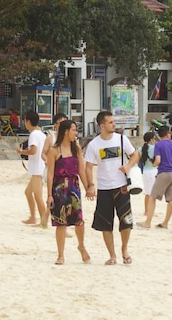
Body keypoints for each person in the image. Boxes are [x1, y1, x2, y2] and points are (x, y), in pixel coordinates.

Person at [84, 110, 138, 265]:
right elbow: (88, 167)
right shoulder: (94, 144)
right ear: (102, 125)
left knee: (126, 221)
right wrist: (90, 185)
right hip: (104, 189)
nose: (114, 124)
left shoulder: (122, 139)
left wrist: (128, 166)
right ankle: (112, 255)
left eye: (114, 122)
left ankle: (124, 249)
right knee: (106, 223)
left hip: (122, 187)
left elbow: (135, 155)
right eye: (110, 122)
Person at [46, 119, 92, 265]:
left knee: (79, 221)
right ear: (66, 132)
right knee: (61, 223)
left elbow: (81, 171)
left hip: (74, 188)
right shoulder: (54, 150)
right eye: (73, 130)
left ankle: (81, 246)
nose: (75, 133)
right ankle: (60, 255)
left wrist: (88, 187)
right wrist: (48, 195)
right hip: (59, 189)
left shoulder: (76, 149)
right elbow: (50, 174)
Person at [139, 124, 172, 231]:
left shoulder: (159, 145)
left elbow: (157, 161)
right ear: (168, 134)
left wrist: (153, 165)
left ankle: (148, 222)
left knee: (152, 197)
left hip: (164, 173)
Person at [19, 110, 48, 227]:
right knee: (28, 192)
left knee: (38, 196)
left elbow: (33, 150)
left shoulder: (33, 135)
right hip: (39, 168)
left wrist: (22, 151)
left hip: (37, 170)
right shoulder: (41, 134)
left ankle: (43, 221)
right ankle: (33, 217)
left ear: (28, 121)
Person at [138, 131, 159, 217]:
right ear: (151, 139)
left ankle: (146, 210)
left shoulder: (140, 149)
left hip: (145, 172)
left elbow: (137, 161)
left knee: (147, 192)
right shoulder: (156, 148)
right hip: (154, 171)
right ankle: (151, 211)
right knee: (153, 193)